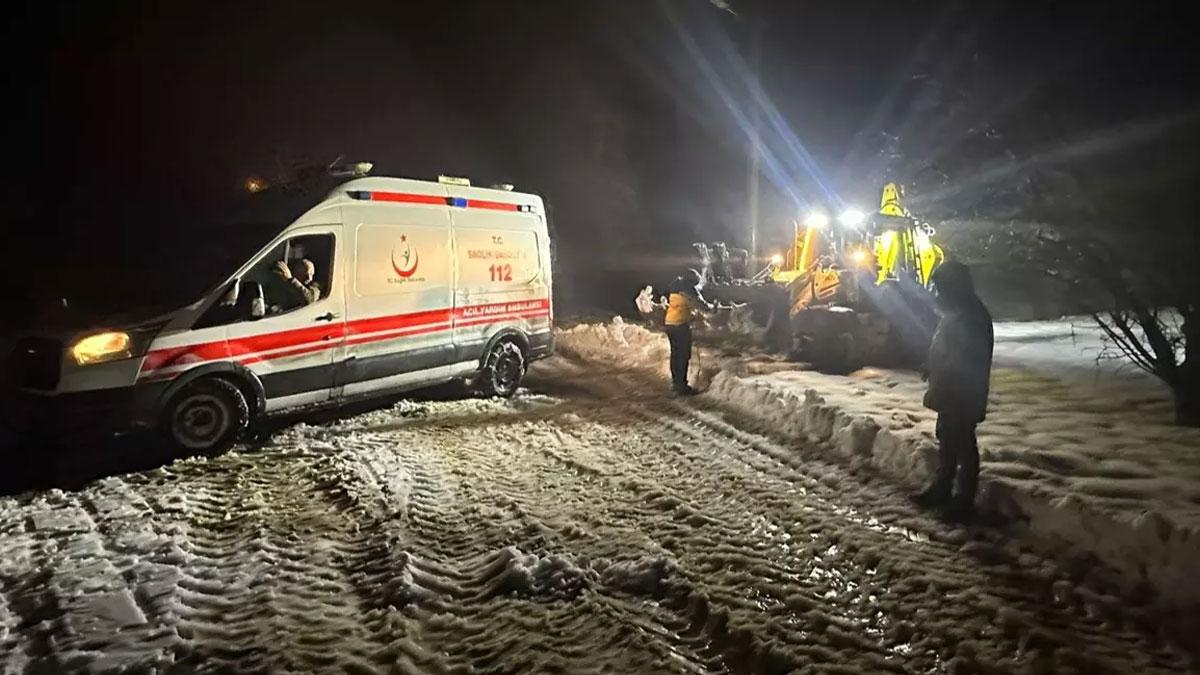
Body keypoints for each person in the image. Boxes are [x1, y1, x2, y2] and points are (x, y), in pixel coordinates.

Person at [912, 261, 994, 522]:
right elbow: (943, 347)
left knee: (963, 442)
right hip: (950, 388)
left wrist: (946, 371)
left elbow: (967, 356)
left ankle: (963, 499)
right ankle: (943, 487)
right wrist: (931, 366)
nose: (938, 292)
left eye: (941, 287)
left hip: (963, 390)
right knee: (947, 438)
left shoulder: (972, 316)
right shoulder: (956, 312)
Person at [664, 269, 713, 395]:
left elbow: (681, 306)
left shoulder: (675, 289)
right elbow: (702, 305)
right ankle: (682, 387)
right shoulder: (688, 290)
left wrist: (689, 315)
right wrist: (713, 308)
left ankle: (676, 383)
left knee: (675, 355)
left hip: (669, 324)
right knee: (683, 356)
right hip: (680, 326)